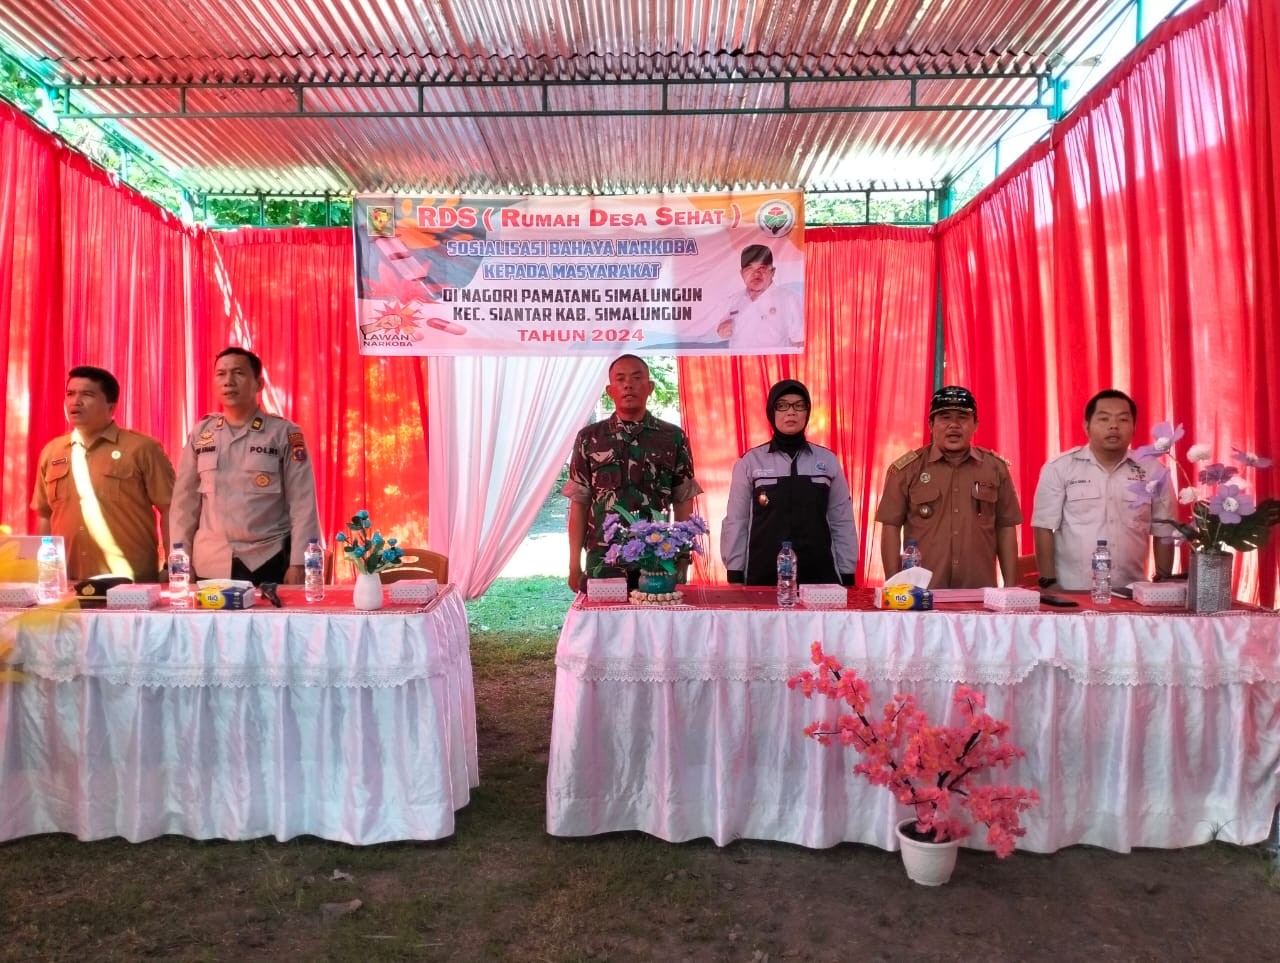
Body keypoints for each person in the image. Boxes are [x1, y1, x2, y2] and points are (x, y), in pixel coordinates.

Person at [170, 347, 321, 585]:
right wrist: (180, 559)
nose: (228, 381)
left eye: (238, 373)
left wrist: (300, 563)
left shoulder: (284, 433)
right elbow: (183, 503)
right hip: (210, 561)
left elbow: (303, 502)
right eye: (221, 374)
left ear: (258, 384)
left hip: (268, 558)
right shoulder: (202, 433)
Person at [563, 354, 703, 592]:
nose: (628, 385)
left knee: (657, 625)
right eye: (620, 379)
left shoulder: (672, 438)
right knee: (605, 626)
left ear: (649, 388)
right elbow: (579, 503)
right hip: (603, 559)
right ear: (610, 390)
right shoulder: (590, 438)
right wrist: (573, 565)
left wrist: (682, 558)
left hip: (657, 559)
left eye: (636, 378)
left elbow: (683, 501)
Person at [31, 366, 175, 583]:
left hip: (130, 582)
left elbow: (170, 508)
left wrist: (172, 566)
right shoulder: (52, 451)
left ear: (111, 405)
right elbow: (44, 514)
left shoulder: (142, 448)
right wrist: (42, 571)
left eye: (87, 394)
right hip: (67, 582)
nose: (75, 401)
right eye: (70, 394)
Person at [876, 385, 1023, 589]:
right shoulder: (906, 470)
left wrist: (1010, 588)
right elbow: (891, 528)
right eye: (945, 417)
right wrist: (893, 587)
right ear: (931, 424)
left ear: (976, 424)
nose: (954, 425)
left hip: (979, 593)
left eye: (962, 417)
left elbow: (1006, 528)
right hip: (922, 594)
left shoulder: (995, 469)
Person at [1031, 389, 1175, 591]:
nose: (1113, 426)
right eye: (1104, 419)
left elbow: (1164, 530)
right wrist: (1049, 583)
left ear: (1134, 427)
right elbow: (1043, 527)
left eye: (1123, 419)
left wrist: (1163, 585)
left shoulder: (1153, 471)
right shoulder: (1060, 468)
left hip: (1133, 592)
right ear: (1086, 426)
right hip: (1073, 592)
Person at [721, 380, 858, 586]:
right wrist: (735, 573)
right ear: (771, 412)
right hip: (763, 575)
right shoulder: (750, 462)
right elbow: (736, 521)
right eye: (782, 405)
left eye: (799, 405)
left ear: (807, 412)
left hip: (820, 577)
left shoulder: (827, 461)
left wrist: (847, 573)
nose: (791, 412)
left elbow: (842, 521)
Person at [715, 244, 804, 351]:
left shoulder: (790, 299)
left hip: (773, 364)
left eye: (762, 268)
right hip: (739, 364)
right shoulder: (733, 300)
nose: (756, 273)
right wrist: (721, 330)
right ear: (742, 273)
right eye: (750, 269)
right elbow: (719, 331)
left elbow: (800, 342)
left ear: (773, 272)